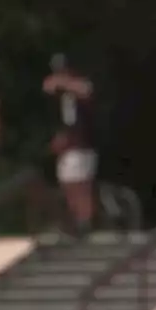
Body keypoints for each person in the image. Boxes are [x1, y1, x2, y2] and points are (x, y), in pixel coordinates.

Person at [44, 54, 97, 234]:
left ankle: (84, 223)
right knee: (67, 184)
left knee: (79, 185)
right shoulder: (65, 98)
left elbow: (85, 90)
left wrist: (61, 83)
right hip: (69, 147)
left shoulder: (81, 86)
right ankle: (76, 221)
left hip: (82, 146)